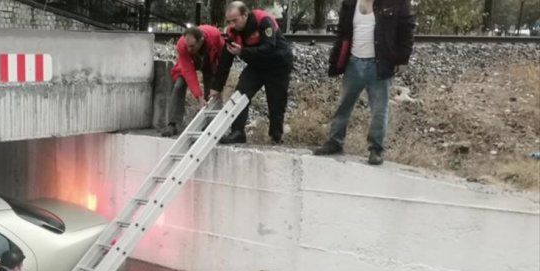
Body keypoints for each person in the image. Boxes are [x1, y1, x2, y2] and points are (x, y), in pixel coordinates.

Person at [312, 0, 415, 165]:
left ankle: (376, 149)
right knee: (343, 105)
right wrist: (336, 58)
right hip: (353, 63)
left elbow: (407, 29)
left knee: (379, 111)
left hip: (380, 64)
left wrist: (403, 59)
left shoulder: (396, 3)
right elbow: (343, 32)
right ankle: (334, 142)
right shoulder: (350, 3)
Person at [209, 1, 294, 145]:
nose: (232, 25)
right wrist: (217, 87)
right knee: (240, 94)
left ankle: (276, 137)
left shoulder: (264, 20)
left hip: (278, 64)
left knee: (276, 102)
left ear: (245, 15)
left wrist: (243, 51)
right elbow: (225, 61)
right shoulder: (232, 32)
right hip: (257, 65)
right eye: (229, 21)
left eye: (235, 20)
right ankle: (237, 132)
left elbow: (269, 47)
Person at [161, 25, 226, 137]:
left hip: (210, 61)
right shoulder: (183, 45)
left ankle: (210, 123)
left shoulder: (214, 34)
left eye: (192, 46)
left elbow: (224, 57)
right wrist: (198, 97)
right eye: (188, 46)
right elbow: (189, 72)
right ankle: (173, 124)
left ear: (201, 40)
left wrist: (219, 83)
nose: (189, 49)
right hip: (190, 63)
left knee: (211, 91)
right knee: (179, 86)